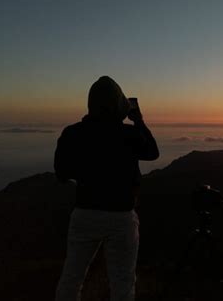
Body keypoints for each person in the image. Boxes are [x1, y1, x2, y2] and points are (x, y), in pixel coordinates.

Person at [54, 75, 159, 301]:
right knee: (122, 282)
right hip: (121, 217)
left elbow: (61, 173)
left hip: (84, 213)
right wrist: (138, 120)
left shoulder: (72, 133)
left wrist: (86, 176)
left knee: (72, 277)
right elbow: (152, 152)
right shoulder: (128, 135)